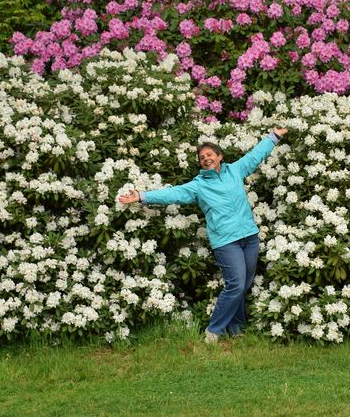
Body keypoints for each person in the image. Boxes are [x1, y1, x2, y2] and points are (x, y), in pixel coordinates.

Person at [118, 128, 288, 343]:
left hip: (249, 236)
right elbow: (173, 193)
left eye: (209, 155)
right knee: (235, 285)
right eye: (202, 157)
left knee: (243, 285)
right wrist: (142, 196)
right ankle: (213, 332)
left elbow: (255, 155)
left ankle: (236, 330)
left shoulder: (236, 170)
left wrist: (274, 137)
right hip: (226, 241)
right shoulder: (198, 186)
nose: (206, 159)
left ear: (219, 157)